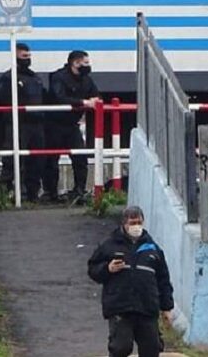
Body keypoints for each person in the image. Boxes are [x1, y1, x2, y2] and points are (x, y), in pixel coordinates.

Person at [88, 206, 174, 357]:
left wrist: (167, 307)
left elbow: (163, 280)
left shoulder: (152, 248)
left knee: (152, 349)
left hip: (147, 307)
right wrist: (108, 268)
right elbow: (93, 269)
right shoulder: (109, 245)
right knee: (121, 347)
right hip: (120, 306)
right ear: (124, 224)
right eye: (132, 223)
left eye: (139, 222)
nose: (136, 227)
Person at [47, 50, 100, 201]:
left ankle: (79, 191)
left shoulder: (86, 80)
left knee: (80, 158)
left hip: (72, 125)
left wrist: (94, 100)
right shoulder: (59, 77)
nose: (88, 66)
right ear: (75, 63)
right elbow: (59, 97)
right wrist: (83, 102)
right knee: (51, 160)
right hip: (54, 124)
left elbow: (95, 95)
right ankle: (51, 194)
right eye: (85, 63)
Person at [0, 42, 46, 202]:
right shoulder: (8, 78)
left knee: (36, 160)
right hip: (18, 123)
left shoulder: (35, 78)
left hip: (36, 124)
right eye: (24, 56)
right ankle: (5, 194)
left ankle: (32, 194)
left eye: (29, 56)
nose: (28, 59)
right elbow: (5, 100)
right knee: (12, 160)